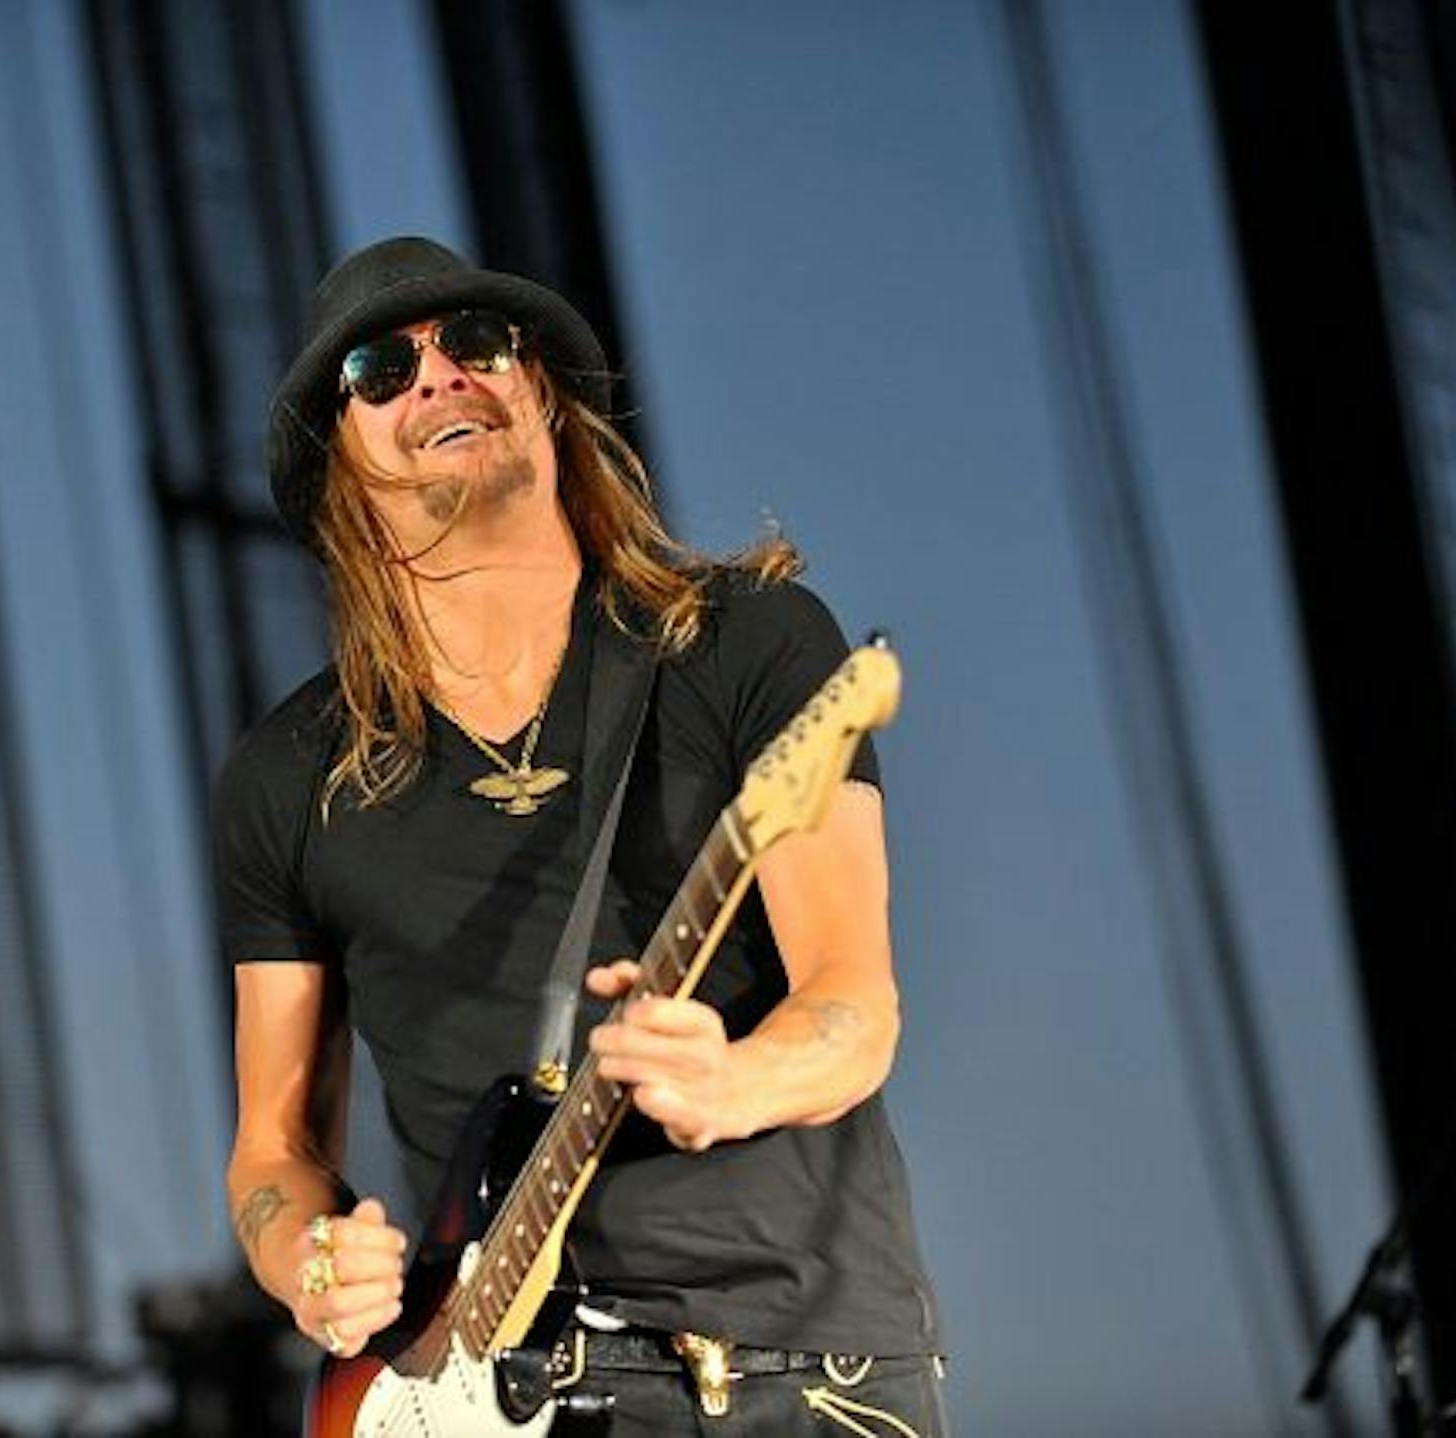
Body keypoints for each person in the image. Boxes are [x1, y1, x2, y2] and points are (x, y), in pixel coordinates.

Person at [217, 236, 947, 1434]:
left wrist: (739, 1076)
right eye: (381, 370)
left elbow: (855, 1007)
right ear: (336, 462)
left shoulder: (747, 646)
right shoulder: (287, 775)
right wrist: (307, 1258)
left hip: (800, 1369)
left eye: (477, 346)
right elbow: (272, 1146)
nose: (441, 376)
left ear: (540, 391)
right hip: (484, 1386)